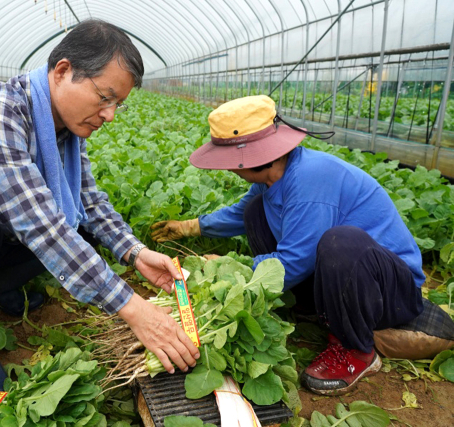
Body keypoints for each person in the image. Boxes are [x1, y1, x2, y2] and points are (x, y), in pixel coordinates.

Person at [0, 19, 199, 390]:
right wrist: (133, 308)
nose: (110, 114)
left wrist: (135, 253)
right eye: (105, 97)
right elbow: (40, 226)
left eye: (118, 105)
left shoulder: (63, 128)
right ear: (63, 71)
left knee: (77, 223)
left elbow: (89, 202)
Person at [151, 95, 454, 396]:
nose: (227, 168)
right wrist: (191, 226)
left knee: (340, 243)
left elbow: (294, 261)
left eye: (229, 161)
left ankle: (357, 351)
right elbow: (238, 214)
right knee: (255, 210)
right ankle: (309, 308)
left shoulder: (311, 181)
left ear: (255, 157)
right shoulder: (274, 178)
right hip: (342, 280)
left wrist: (230, 268)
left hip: (386, 293)